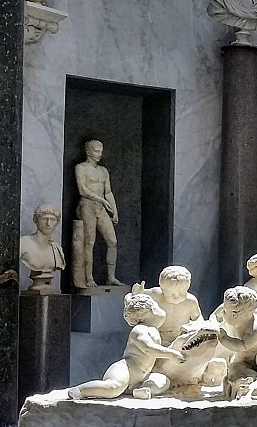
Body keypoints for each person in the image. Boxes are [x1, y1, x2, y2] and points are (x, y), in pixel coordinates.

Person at [68, 285, 185, 400]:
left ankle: (144, 390)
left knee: (163, 381)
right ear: (150, 311)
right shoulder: (139, 330)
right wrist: (171, 354)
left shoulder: (153, 330)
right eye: (156, 306)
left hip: (142, 377)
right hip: (125, 370)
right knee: (114, 387)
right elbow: (148, 348)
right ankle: (81, 390)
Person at [74, 140, 121, 287]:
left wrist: (114, 210)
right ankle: (89, 278)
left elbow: (108, 192)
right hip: (87, 206)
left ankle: (111, 277)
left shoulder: (103, 171)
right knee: (89, 242)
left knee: (112, 241)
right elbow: (82, 190)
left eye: (101, 151)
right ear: (88, 152)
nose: (100, 154)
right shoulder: (81, 168)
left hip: (101, 207)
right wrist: (101, 200)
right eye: (96, 151)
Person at [147, 266, 202, 346]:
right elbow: (138, 299)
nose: (176, 297)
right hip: (159, 337)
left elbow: (198, 318)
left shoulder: (191, 301)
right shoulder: (156, 295)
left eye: (182, 293)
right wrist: (136, 292)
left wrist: (194, 326)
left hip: (182, 337)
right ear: (162, 289)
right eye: (171, 294)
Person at [19, 204, 66, 295]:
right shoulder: (23, 244)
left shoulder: (57, 249)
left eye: (52, 220)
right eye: (44, 219)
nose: (48, 223)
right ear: (35, 220)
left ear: (57, 223)